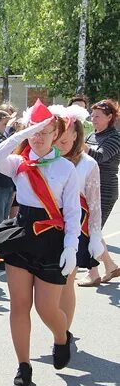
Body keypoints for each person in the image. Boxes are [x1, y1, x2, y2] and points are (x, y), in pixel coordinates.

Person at [0, 99, 80, 386]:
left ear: (57, 134)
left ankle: (61, 337)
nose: (39, 137)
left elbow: (71, 213)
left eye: (45, 131)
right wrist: (19, 135)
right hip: (21, 235)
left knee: (46, 308)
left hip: (52, 239)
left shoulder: (66, 168)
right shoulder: (19, 163)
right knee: (19, 305)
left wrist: (71, 246)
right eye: (34, 130)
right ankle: (24, 365)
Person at [52, 104, 104, 332]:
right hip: (46, 228)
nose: (59, 146)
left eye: (64, 141)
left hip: (73, 230)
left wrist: (95, 237)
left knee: (66, 284)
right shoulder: (46, 158)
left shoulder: (88, 164)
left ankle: (63, 333)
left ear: (76, 135)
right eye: (56, 139)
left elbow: (94, 204)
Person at [81, 99, 120, 285]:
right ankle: (111, 266)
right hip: (89, 187)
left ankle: (93, 272)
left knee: (91, 231)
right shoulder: (92, 136)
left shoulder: (115, 137)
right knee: (92, 228)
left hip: (105, 189)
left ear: (109, 117)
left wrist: (77, 142)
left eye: (97, 116)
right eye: (92, 115)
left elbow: (100, 156)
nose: (93, 119)